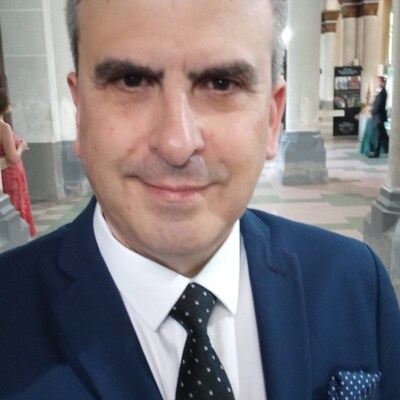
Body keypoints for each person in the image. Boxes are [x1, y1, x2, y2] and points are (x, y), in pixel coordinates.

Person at [0, 0, 399, 399]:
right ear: (80, 111)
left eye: (221, 83)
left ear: (272, 118)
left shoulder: (353, 282)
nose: (177, 143)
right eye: (131, 80)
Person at [0, 88, 36, 236]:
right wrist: (21, 146)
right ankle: (20, 237)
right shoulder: (4, 127)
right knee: (17, 205)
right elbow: (13, 157)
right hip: (11, 173)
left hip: (4, 172)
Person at [368, 76, 389, 158]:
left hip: (378, 116)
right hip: (377, 116)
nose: (375, 83)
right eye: (375, 82)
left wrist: (372, 112)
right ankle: (388, 149)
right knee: (382, 135)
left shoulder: (383, 92)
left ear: (382, 83)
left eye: (377, 81)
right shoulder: (378, 93)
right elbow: (373, 103)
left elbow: (379, 106)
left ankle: (376, 152)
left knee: (378, 135)